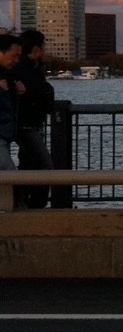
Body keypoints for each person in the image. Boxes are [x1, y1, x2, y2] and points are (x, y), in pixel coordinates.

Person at [17, 29, 56, 208]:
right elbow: (40, 92)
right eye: (43, 46)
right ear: (36, 48)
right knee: (45, 165)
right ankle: (34, 206)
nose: (45, 50)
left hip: (28, 124)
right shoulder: (26, 69)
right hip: (27, 126)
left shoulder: (25, 67)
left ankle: (23, 204)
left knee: (27, 165)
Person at [0, 33, 22, 173]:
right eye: (14, 56)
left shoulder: (8, 74)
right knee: (10, 177)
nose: (16, 60)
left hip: (5, 135)